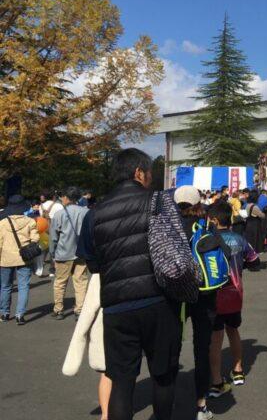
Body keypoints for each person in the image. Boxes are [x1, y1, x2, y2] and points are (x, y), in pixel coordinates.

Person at [77, 148, 183, 420]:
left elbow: (93, 263)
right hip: (160, 301)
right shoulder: (158, 202)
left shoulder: (94, 213)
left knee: (122, 382)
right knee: (163, 376)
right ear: (139, 173)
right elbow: (177, 249)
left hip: (116, 308)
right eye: (149, 174)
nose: (151, 179)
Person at [174, 185, 223, 420]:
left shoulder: (169, 227)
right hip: (205, 293)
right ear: (197, 203)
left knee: (171, 346)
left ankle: (166, 398)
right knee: (201, 349)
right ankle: (201, 404)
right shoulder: (206, 225)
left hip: (176, 293)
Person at [207, 199, 259, 397]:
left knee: (216, 338)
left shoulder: (208, 240)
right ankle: (238, 370)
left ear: (212, 220)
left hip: (215, 296)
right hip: (235, 295)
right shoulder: (239, 239)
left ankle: (216, 381)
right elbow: (254, 260)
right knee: (234, 331)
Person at [62, 274, 112, 420]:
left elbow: (89, 309)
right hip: (130, 326)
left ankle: (106, 414)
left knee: (107, 373)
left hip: (104, 326)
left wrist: (79, 338)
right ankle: (117, 409)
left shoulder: (101, 271)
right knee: (125, 374)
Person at [49, 186, 90, 319]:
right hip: (81, 252)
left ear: (66, 198)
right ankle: (79, 309)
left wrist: (52, 254)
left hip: (63, 252)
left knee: (60, 282)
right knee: (81, 281)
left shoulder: (59, 214)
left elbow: (53, 237)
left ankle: (58, 310)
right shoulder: (86, 212)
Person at [0, 194, 39, 325]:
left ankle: (4, 313)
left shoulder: (2, 223)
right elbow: (35, 239)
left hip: (6, 258)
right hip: (24, 258)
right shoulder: (30, 221)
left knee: (5, 286)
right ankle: (20, 315)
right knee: (23, 286)